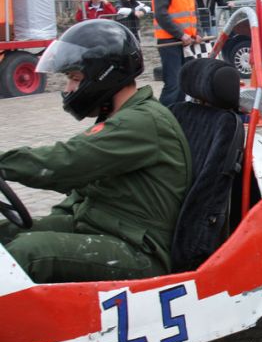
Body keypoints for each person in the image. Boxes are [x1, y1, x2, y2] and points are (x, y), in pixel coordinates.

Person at [0, 20, 191, 283]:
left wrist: (5, 165)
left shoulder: (141, 121)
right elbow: (83, 181)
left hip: (140, 250)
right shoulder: (123, 117)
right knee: (5, 232)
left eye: (75, 79)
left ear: (104, 76)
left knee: (27, 252)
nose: (68, 89)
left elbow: (66, 162)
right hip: (103, 225)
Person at [151, 0, 202, 107]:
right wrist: (181, 34)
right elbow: (161, 14)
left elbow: (193, 10)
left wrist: (197, 32)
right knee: (173, 84)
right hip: (170, 42)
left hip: (185, 41)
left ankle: (177, 116)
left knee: (183, 84)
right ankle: (161, 117)